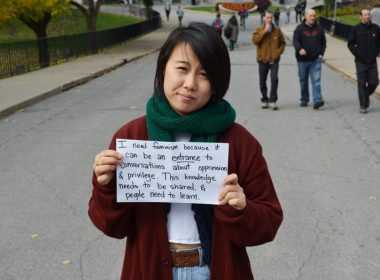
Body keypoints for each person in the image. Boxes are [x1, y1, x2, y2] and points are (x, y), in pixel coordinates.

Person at [89, 22, 282, 280]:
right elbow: (111, 225)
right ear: (163, 69)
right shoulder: (131, 137)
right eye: (182, 68)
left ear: (217, 83)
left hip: (216, 270)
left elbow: (268, 222)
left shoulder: (239, 142)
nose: (190, 84)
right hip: (150, 270)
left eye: (205, 74)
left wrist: (241, 208)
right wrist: (106, 187)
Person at [348, 8, 380, 114]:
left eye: (368, 15)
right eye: (365, 15)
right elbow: (350, 43)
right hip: (360, 61)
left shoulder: (376, 28)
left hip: (372, 61)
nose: (367, 16)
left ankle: (365, 95)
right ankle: (363, 105)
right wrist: (357, 53)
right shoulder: (356, 29)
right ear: (360, 16)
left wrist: (377, 52)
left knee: (374, 82)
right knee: (361, 83)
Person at [293, 9, 326, 109]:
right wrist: (300, 49)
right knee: (303, 80)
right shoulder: (299, 28)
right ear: (306, 16)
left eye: (314, 16)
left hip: (316, 59)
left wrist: (321, 53)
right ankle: (304, 98)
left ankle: (317, 100)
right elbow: (295, 41)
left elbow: (323, 42)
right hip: (302, 60)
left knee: (316, 80)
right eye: (311, 16)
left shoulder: (319, 28)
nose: (313, 18)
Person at [252, 10, 286, 110]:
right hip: (262, 60)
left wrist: (278, 52)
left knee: (274, 79)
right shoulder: (258, 29)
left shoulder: (277, 30)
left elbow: (283, 43)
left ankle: (273, 101)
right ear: (264, 18)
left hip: (274, 61)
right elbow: (255, 41)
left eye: (271, 17)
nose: (269, 19)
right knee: (262, 81)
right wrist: (264, 31)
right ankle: (265, 99)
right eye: (267, 17)